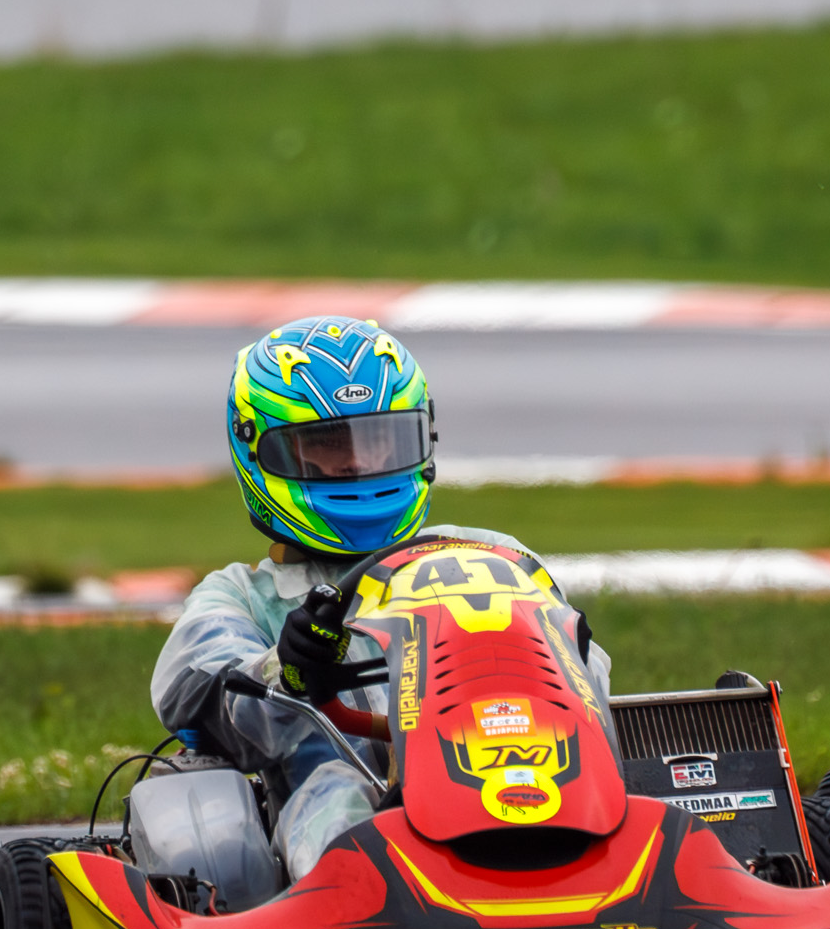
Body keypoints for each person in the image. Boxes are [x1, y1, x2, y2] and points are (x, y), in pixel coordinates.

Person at [150, 315, 608, 880]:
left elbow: (590, 682)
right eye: (327, 445)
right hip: (361, 811)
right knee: (334, 788)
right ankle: (360, 897)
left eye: (379, 440)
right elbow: (194, 698)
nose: (358, 463)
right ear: (261, 453)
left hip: (521, 769)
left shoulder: (491, 554)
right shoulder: (241, 597)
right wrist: (285, 668)